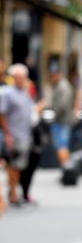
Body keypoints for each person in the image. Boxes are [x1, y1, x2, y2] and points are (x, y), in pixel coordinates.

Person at [0, 64, 37, 206]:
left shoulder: (26, 93)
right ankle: (13, 193)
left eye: (23, 77)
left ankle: (14, 191)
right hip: (13, 134)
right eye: (18, 77)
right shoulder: (6, 93)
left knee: (20, 166)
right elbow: (2, 114)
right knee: (12, 165)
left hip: (25, 134)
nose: (21, 80)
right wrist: (7, 133)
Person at [41, 56, 77, 166]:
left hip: (62, 121)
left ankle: (67, 169)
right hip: (59, 121)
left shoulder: (63, 86)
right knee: (61, 146)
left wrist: (53, 115)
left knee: (62, 146)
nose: (53, 77)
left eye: (55, 74)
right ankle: (66, 168)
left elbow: (63, 105)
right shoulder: (55, 85)